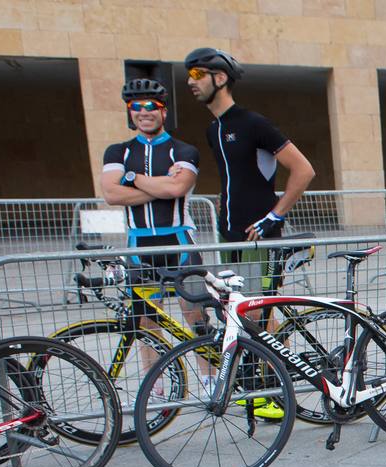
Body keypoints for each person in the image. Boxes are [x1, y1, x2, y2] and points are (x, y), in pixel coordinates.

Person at [98, 78, 207, 385]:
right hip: (139, 245)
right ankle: (158, 386)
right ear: (129, 112)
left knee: (196, 315)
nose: (143, 112)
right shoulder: (117, 151)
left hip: (179, 241)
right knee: (146, 319)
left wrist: (132, 178)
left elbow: (179, 187)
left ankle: (211, 381)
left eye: (151, 106)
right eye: (136, 107)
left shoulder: (182, 149)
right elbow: (111, 194)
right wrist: (161, 187)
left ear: (163, 111)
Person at [186, 48, 316, 250]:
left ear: (220, 78)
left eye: (197, 74)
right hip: (227, 234)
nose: (190, 82)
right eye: (189, 75)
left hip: (258, 236)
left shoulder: (253, 123)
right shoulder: (213, 129)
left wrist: (273, 218)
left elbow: (304, 170)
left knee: (258, 283)